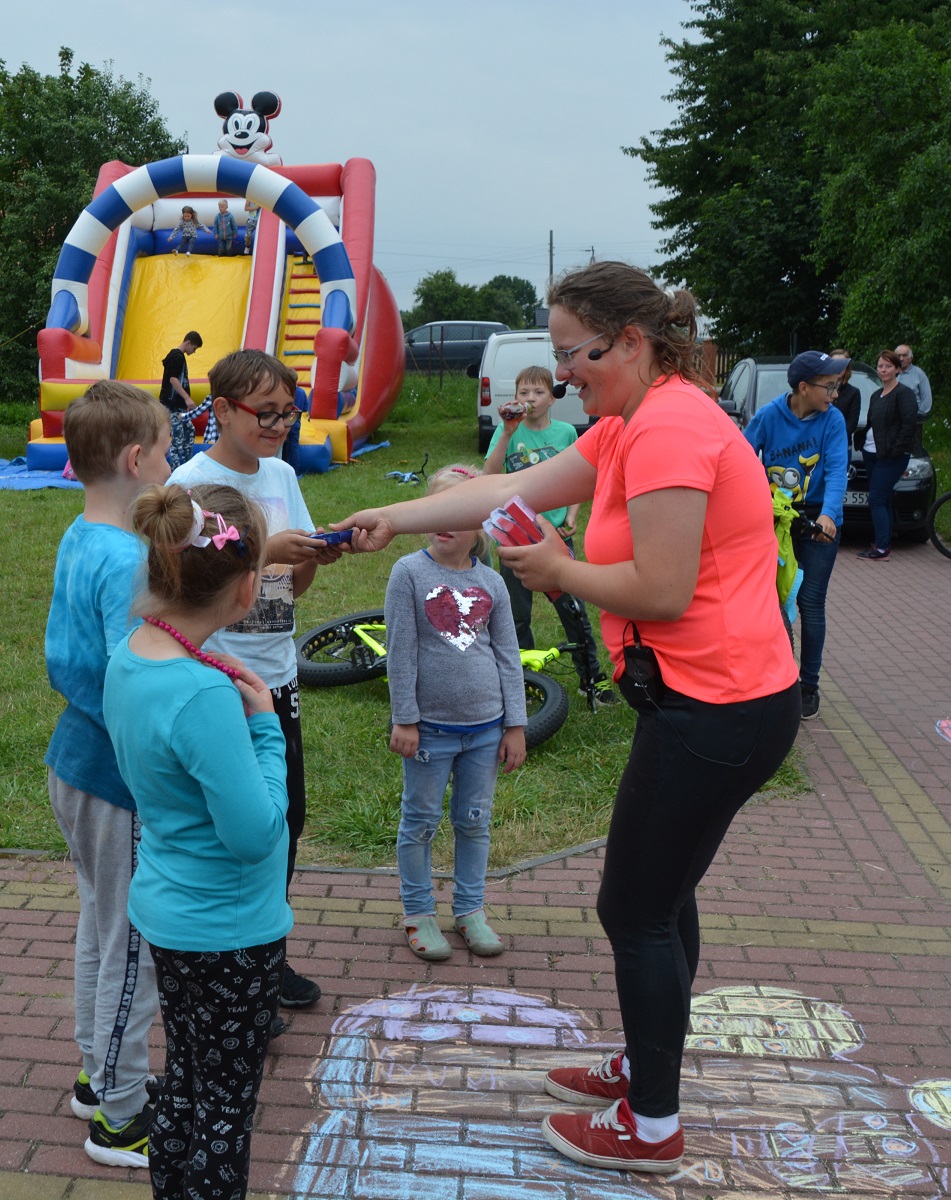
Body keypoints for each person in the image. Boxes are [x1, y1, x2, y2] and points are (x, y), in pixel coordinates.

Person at [335, 261, 800, 1174]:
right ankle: (648, 1067)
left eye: (572, 354)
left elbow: (661, 590)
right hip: (711, 701)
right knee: (663, 900)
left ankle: (651, 1126)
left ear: (629, 342)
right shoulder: (632, 422)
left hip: (717, 707)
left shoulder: (669, 429)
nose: (561, 373)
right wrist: (395, 513)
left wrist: (556, 572)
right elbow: (512, 492)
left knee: (634, 909)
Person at [104, 482, 288, 1199]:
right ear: (245, 588)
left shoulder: (130, 656)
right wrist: (266, 729)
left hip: (169, 914)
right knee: (224, 1110)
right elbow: (255, 835)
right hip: (228, 932)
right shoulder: (204, 695)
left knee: (184, 1080)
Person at [168, 349, 347, 1014]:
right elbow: (185, 579)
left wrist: (313, 558)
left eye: (288, 413)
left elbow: (289, 589)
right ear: (221, 410)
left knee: (284, 822)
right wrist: (266, 549)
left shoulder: (281, 473)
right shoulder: (190, 484)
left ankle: (268, 960)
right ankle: (233, 975)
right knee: (231, 832)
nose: (278, 425)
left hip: (276, 677)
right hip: (217, 681)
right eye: (264, 413)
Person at [44, 381, 175, 1168]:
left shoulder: (80, 533)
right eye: (165, 450)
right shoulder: (128, 560)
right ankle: (120, 1117)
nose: (171, 463)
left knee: (101, 927)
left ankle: (100, 1078)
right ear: (134, 460)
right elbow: (134, 683)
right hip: (116, 776)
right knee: (133, 947)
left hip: (75, 762)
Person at [386, 464, 527, 963]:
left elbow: (508, 654)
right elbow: (401, 652)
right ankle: (418, 911)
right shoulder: (408, 573)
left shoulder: (493, 582)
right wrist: (405, 717)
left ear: (481, 524)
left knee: (474, 820)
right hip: (429, 732)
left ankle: (470, 909)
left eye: (459, 511)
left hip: (485, 731)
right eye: (437, 508)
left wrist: (515, 724)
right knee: (420, 821)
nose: (445, 521)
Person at [484, 364, 612, 701]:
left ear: (552, 398)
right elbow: (489, 474)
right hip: (514, 538)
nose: (531, 398)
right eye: (523, 392)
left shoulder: (566, 433)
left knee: (574, 612)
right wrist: (507, 433)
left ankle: (591, 679)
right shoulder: (507, 432)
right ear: (515, 398)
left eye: (538, 392)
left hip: (555, 539)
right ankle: (522, 682)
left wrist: (572, 514)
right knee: (515, 617)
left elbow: (578, 479)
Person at [743, 349, 849, 719]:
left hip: (818, 522)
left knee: (811, 602)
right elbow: (741, 459)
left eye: (837, 386)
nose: (835, 394)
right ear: (804, 387)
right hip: (776, 520)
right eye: (829, 386)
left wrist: (828, 515)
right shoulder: (769, 415)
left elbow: (836, 470)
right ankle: (771, 679)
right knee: (769, 600)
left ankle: (808, 685)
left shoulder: (833, 420)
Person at [856, 349, 919, 561]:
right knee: (884, 498)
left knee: (876, 498)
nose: (883, 370)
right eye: (880, 366)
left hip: (891, 457)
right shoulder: (876, 395)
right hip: (871, 453)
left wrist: (895, 451)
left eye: (888, 366)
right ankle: (883, 541)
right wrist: (861, 439)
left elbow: (909, 425)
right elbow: (872, 423)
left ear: (897, 369)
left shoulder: (904, 394)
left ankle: (882, 549)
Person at [161, 333, 218, 467]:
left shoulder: (178, 357)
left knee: (189, 431)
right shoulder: (177, 356)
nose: (194, 352)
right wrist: (187, 398)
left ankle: (187, 462)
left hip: (178, 405)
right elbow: (173, 379)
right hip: (172, 405)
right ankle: (175, 469)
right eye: (194, 348)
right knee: (177, 437)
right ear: (188, 343)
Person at [895, 342, 932, 421]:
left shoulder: (919, 374)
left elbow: (927, 399)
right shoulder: (890, 373)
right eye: (898, 356)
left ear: (910, 358)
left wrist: (918, 415)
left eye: (904, 355)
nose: (901, 359)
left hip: (913, 419)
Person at [829, 348, 861, 437]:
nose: (838, 367)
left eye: (842, 364)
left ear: (847, 367)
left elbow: (852, 423)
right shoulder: (820, 388)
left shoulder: (853, 392)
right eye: (835, 363)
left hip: (842, 440)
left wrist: (836, 438)